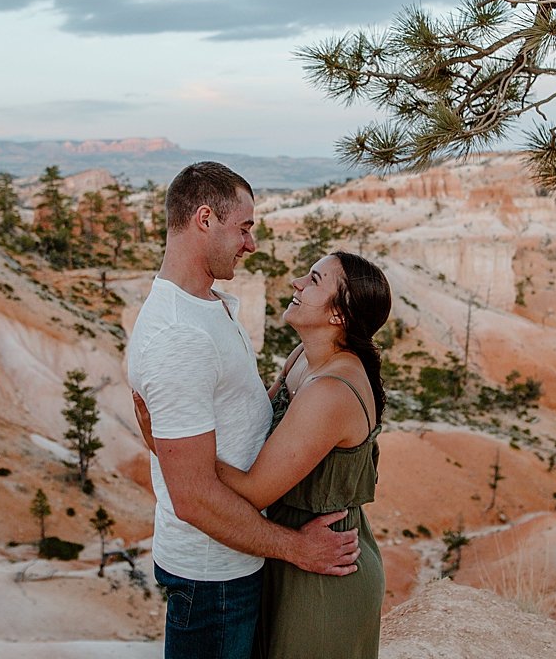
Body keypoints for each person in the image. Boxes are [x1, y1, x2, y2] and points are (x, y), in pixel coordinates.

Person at [126, 162, 361, 659]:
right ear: (205, 219)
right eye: (245, 227)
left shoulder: (206, 304)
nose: (251, 243)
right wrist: (297, 548)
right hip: (214, 576)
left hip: (236, 561)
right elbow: (192, 498)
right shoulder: (178, 335)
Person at [139, 250, 392, 658]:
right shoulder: (301, 359)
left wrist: (167, 445)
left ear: (339, 316)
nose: (296, 283)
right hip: (284, 551)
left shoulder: (330, 391)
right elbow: (255, 425)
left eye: (313, 280)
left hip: (322, 568)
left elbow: (255, 491)